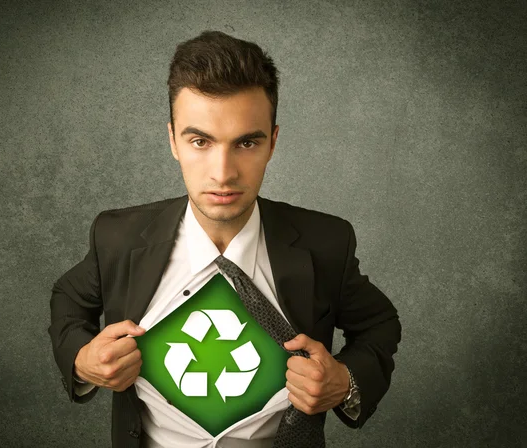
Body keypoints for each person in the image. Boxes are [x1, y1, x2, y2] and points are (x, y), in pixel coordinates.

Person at [48, 30, 402, 448]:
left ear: (272, 142)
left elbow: (380, 324)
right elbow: (68, 300)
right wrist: (82, 360)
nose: (222, 172)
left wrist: (345, 382)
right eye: (200, 141)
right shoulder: (118, 237)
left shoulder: (326, 243)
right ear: (173, 141)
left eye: (246, 142)